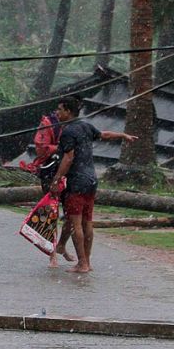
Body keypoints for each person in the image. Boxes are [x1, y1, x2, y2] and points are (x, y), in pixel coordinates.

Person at [40, 98, 136, 272]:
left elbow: (68, 158)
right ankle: (87, 262)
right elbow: (104, 135)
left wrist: (56, 179)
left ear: (68, 112)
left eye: (60, 109)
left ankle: (82, 263)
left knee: (76, 223)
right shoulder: (85, 126)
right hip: (91, 180)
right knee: (87, 223)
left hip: (77, 181)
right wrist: (122, 135)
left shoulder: (68, 132)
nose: (57, 113)